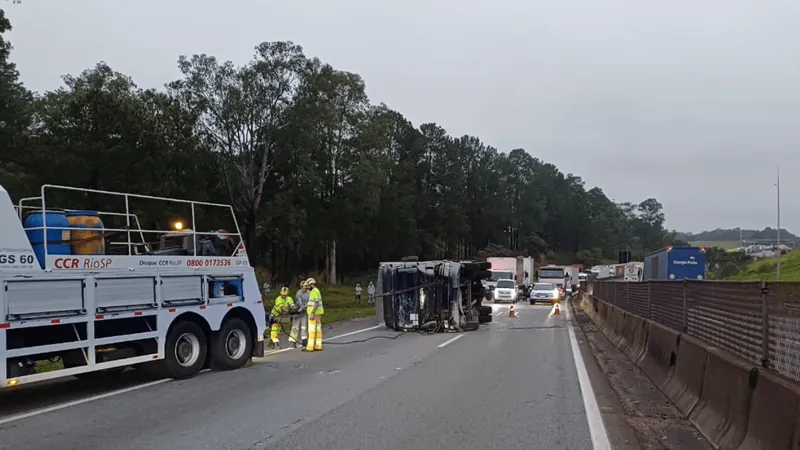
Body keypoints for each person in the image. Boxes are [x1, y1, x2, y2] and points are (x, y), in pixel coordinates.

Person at [305, 277, 324, 352]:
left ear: (311, 284)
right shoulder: (317, 290)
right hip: (318, 313)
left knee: (311, 330)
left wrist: (312, 312)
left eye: (308, 285)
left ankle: (310, 347)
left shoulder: (314, 291)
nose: (307, 287)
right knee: (318, 330)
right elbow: (313, 302)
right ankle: (318, 345)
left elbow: (316, 303)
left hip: (314, 314)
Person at [290, 280, 310, 348]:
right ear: (301, 287)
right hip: (298, 312)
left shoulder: (309, 293)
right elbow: (298, 301)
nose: (304, 289)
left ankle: (304, 340)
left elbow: (310, 301)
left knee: (304, 326)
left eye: (305, 288)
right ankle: (293, 341)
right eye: (303, 287)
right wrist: (301, 307)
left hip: (305, 312)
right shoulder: (298, 293)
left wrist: (306, 306)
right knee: (295, 327)